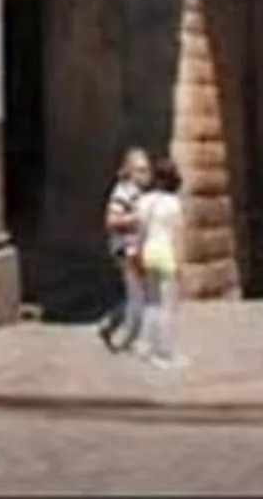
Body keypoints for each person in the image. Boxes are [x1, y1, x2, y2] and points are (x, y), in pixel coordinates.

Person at [96, 147, 152, 353]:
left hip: (136, 249)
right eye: (140, 170)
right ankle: (130, 340)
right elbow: (111, 221)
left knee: (136, 295)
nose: (146, 175)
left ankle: (110, 324)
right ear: (129, 171)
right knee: (138, 296)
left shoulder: (138, 193)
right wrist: (137, 218)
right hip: (126, 251)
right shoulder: (122, 193)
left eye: (147, 170)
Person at [131, 159, 187, 368]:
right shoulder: (174, 204)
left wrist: (137, 253)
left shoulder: (144, 201)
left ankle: (145, 346)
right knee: (167, 307)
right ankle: (164, 353)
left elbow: (140, 231)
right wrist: (180, 263)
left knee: (151, 304)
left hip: (148, 252)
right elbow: (177, 236)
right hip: (166, 254)